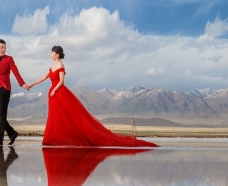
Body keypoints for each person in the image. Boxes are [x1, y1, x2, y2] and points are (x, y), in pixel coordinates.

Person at [27, 45, 158, 147]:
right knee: (56, 117)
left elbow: (61, 81)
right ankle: (53, 138)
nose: (50, 55)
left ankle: (68, 138)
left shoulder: (60, 65)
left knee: (70, 117)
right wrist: (32, 84)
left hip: (59, 93)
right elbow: (43, 77)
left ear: (57, 54)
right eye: (50, 53)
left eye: (52, 53)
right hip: (53, 94)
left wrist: (54, 90)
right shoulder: (52, 67)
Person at [0, 39, 28, 147]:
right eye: (1, 47)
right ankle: (11, 132)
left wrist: (22, 84)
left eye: (5, 47)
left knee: (1, 114)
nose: (4, 49)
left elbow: (15, 71)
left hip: (4, 89)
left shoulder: (9, 59)